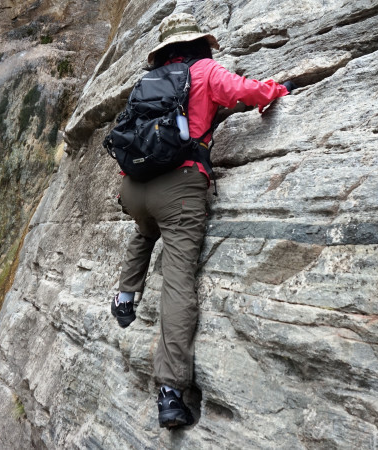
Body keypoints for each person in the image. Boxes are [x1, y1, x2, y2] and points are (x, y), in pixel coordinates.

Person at [110, 12, 295, 429]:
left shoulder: (146, 83)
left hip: (133, 188)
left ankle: (124, 296)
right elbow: (244, 93)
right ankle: (170, 393)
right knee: (178, 284)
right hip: (179, 188)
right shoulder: (206, 70)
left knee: (146, 227)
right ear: (199, 44)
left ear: (163, 51)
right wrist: (277, 90)